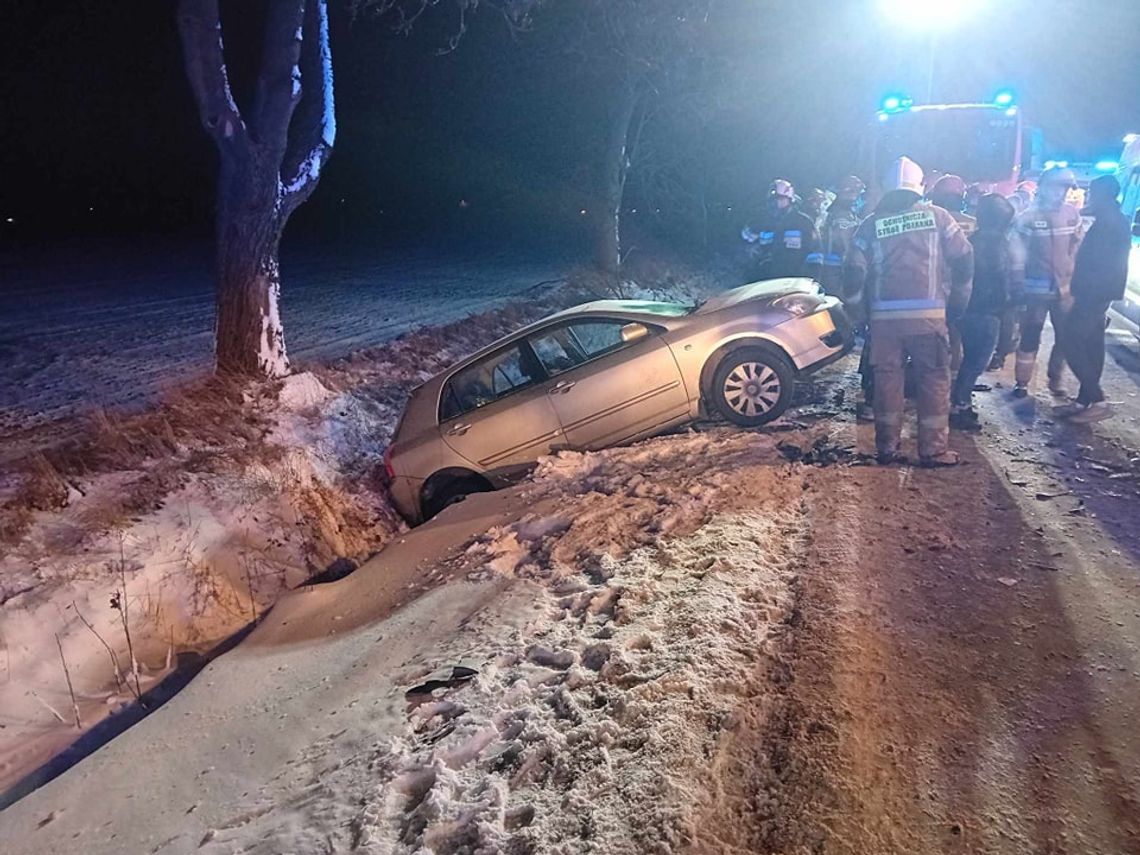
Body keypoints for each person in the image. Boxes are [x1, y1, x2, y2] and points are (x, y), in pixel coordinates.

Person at [845, 156, 974, 466]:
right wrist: (959, 300)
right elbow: (965, 258)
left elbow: (853, 273)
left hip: (885, 322)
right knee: (933, 379)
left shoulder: (870, 225)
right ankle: (933, 450)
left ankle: (887, 448)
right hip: (929, 319)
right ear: (920, 187)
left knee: (887, 380)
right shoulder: (940, 218)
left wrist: (856, 313)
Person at [1057, 174, 1132, 422]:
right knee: (1092, 344)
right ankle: (1084, 400)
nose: (1089, 198)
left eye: (1092, 194)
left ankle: (1097, 399)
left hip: (1094, 293)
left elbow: (1100, 263)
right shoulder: (1113, 219)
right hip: (1099, 292)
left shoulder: (1109, 223)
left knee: (1071, 340)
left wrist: (1079, 291)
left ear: (1102, 195)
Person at [1009, 166, 1084, 398]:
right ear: (1044, 188)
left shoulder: (1072, 214)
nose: (1062, 194)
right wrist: (1017, 284)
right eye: (1058, 188)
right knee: (1030, 335)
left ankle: (1056, 379)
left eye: (1066, 189)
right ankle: (1022, 382)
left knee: (1065, 337)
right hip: (1034, 291)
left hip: (1065, 290)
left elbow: (1077, 248)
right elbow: (1016, 255)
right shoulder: (1027, 218)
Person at [950, 194, 1016, 431]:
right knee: (976, 361)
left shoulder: (973, 241)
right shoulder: (997, 244)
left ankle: (959, 399)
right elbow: (1002, 278)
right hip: (987, 309)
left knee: (969, 358)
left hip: (968, 307)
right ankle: (960, 404)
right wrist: (1011, 302)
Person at [931, 174, 978, 372]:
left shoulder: (930, 218)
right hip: (964, 286)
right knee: (956, 333)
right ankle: (953, 377)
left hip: (931, 286)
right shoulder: (974, 222)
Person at [990, 182, 1038, 369]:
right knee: (1007, 321)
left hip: (1007, 285)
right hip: (1006, 286)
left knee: (1007, 322)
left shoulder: (1012, 232)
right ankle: (999, 355)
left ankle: (999, 355)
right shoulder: (1010, 233)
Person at [741, 179, 824, 281]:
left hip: (795, 282)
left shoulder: (803, 223)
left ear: (790, 200)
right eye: (773, 200)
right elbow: (744, 244)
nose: (776, 203)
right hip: (765, 280)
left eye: (781, 199)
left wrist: (813, 278)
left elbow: (816, 252)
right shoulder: (762, 222)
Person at [820, 175, 866, 298]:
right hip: (837, 273)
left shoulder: (847, 214)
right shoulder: (841, 216)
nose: (861, 199)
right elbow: (844, 244)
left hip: (839, 271)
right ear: (851, 194)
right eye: (859, 194)